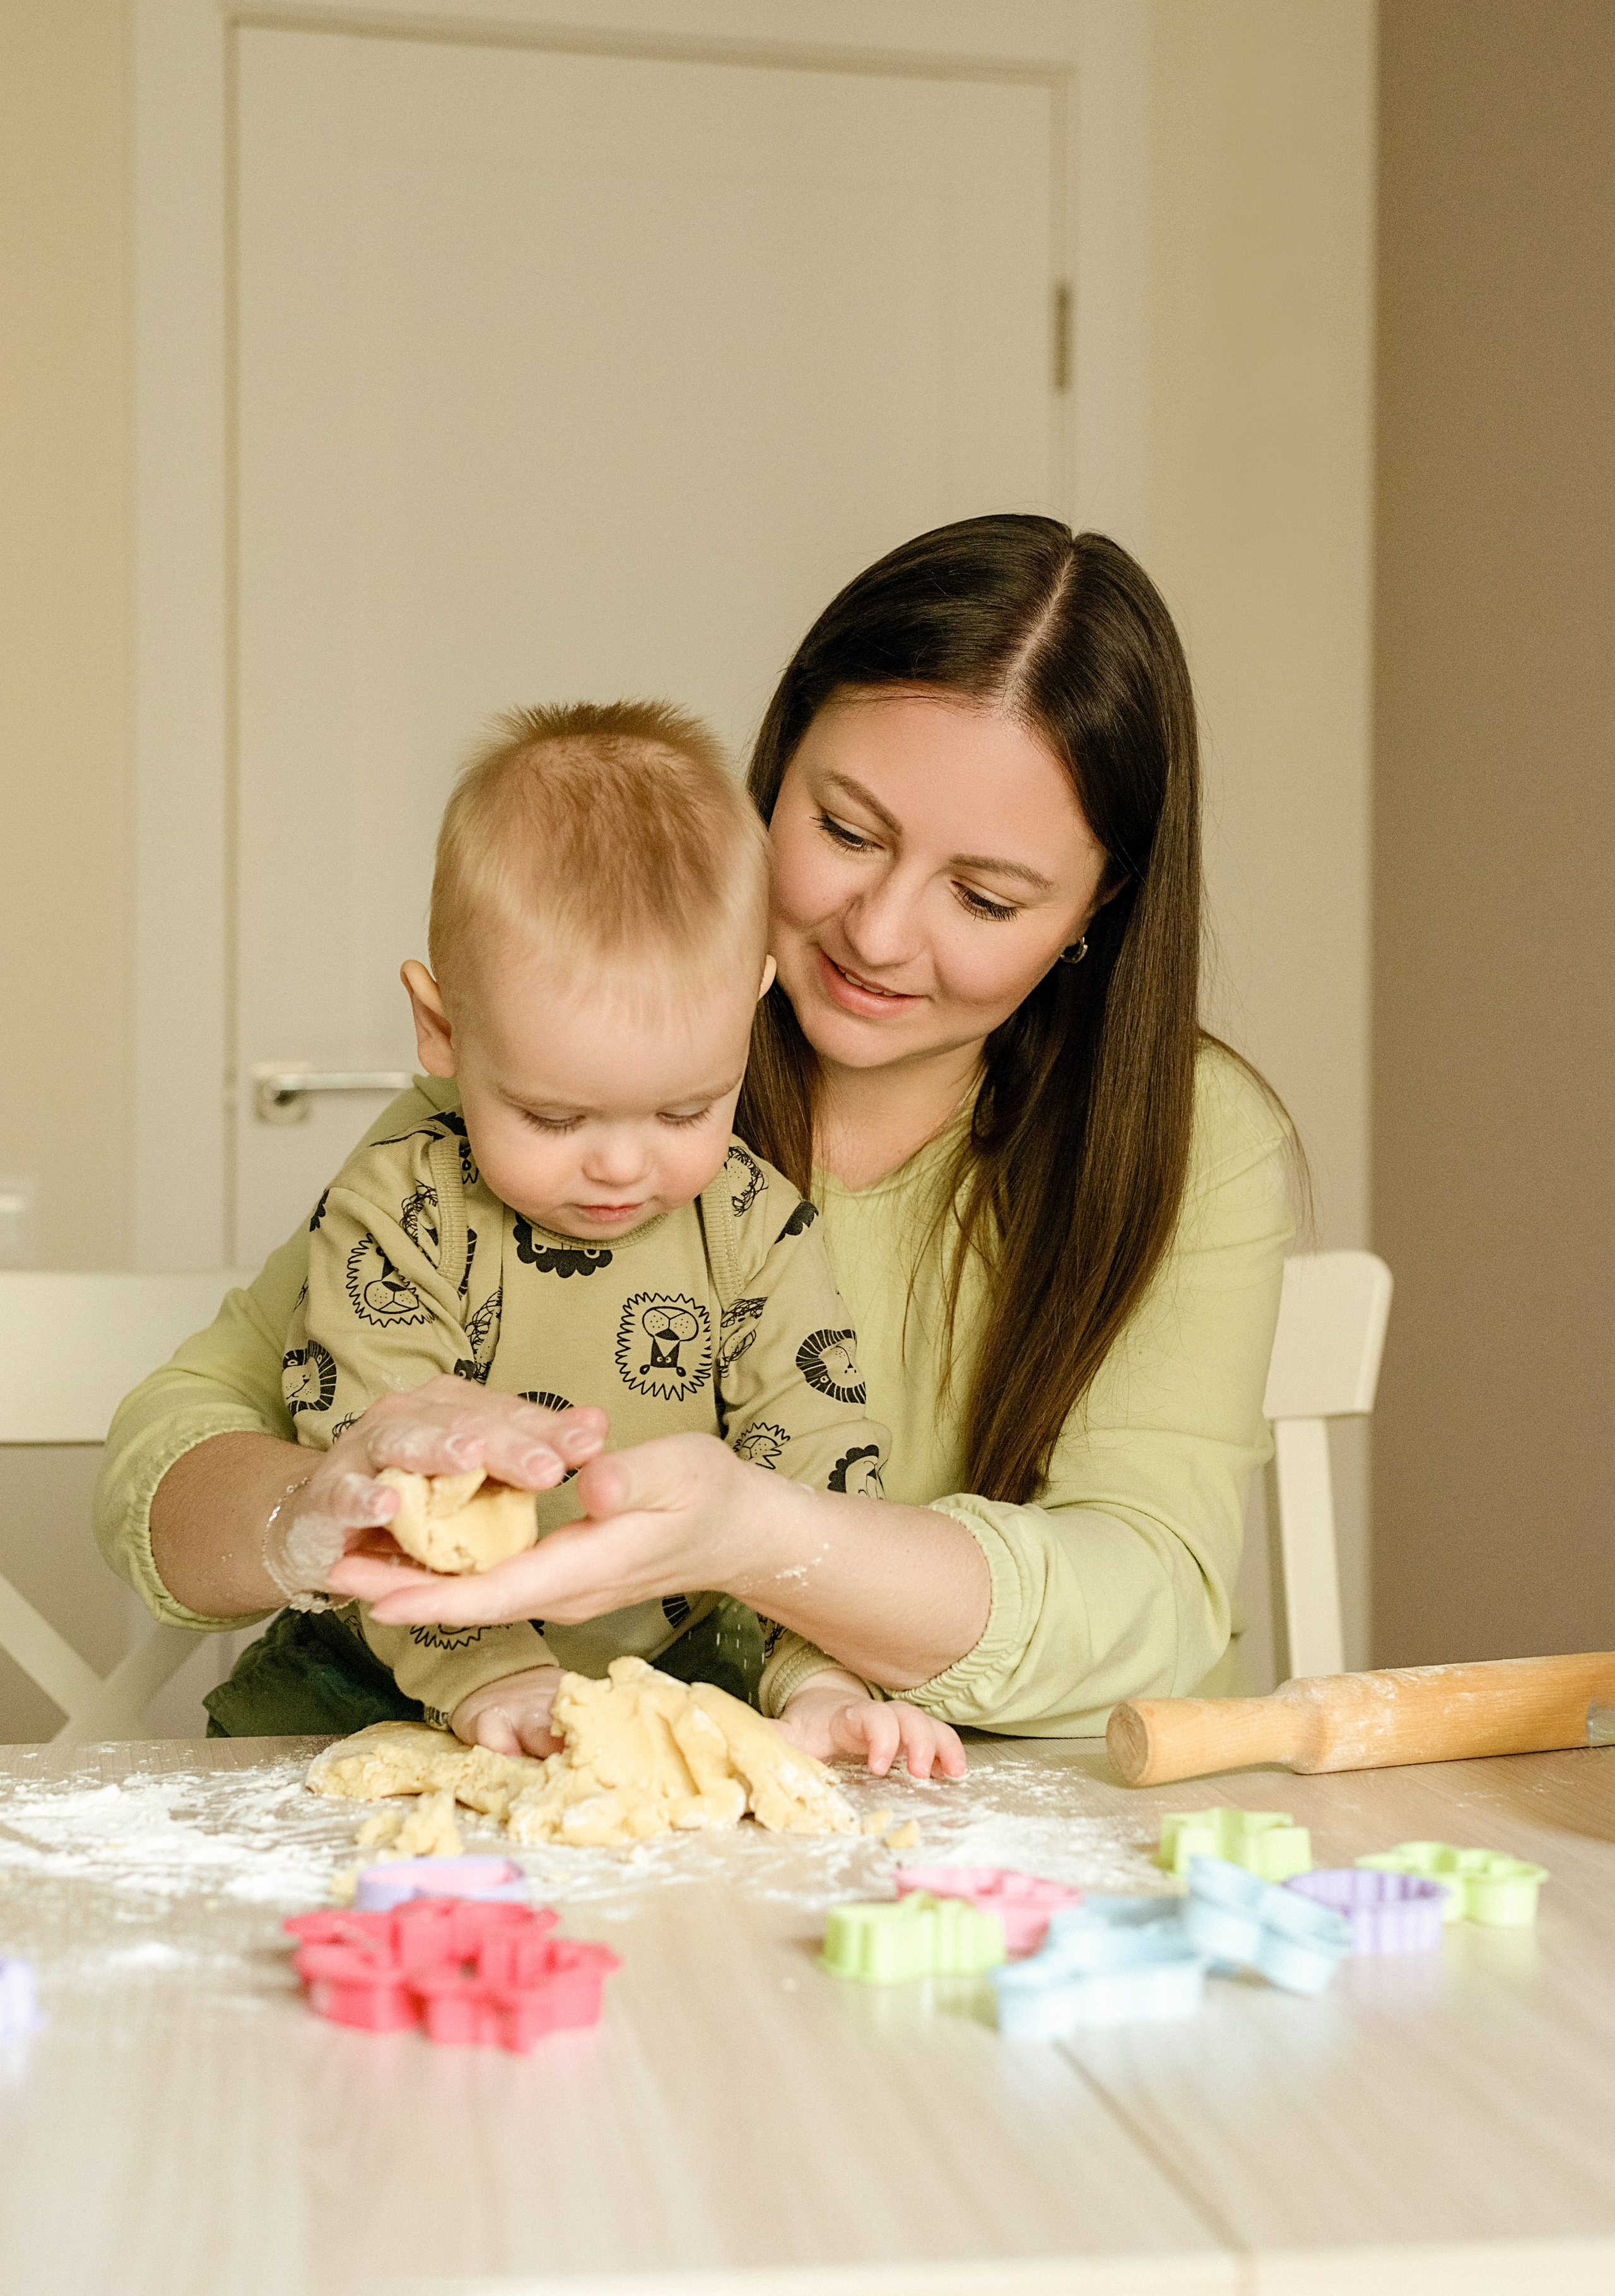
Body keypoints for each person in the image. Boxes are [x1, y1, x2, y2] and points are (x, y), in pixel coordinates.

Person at [97, 517, 1296, 1746]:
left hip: (984, 1821)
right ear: (775, 772)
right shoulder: (565, 1059)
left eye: (983, 895)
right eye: (842, 830)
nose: (877, 932)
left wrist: (768, 1545)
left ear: (1099, 900)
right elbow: (178, 1443)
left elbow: (1154, 1592)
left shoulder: (1189, 1139)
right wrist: (318, 1507)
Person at [209, 696, 959, 1778]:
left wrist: (823, 1682)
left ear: (751, 1009)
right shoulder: (399, 1217)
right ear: (443, 1030)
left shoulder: (751, 1224)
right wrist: (494, 1680)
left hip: (681, 1678)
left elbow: (812, 1471)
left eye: (686, 1110)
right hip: (362, 1683)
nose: (621, 1165)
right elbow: (383, 1489)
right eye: (555, 1119)